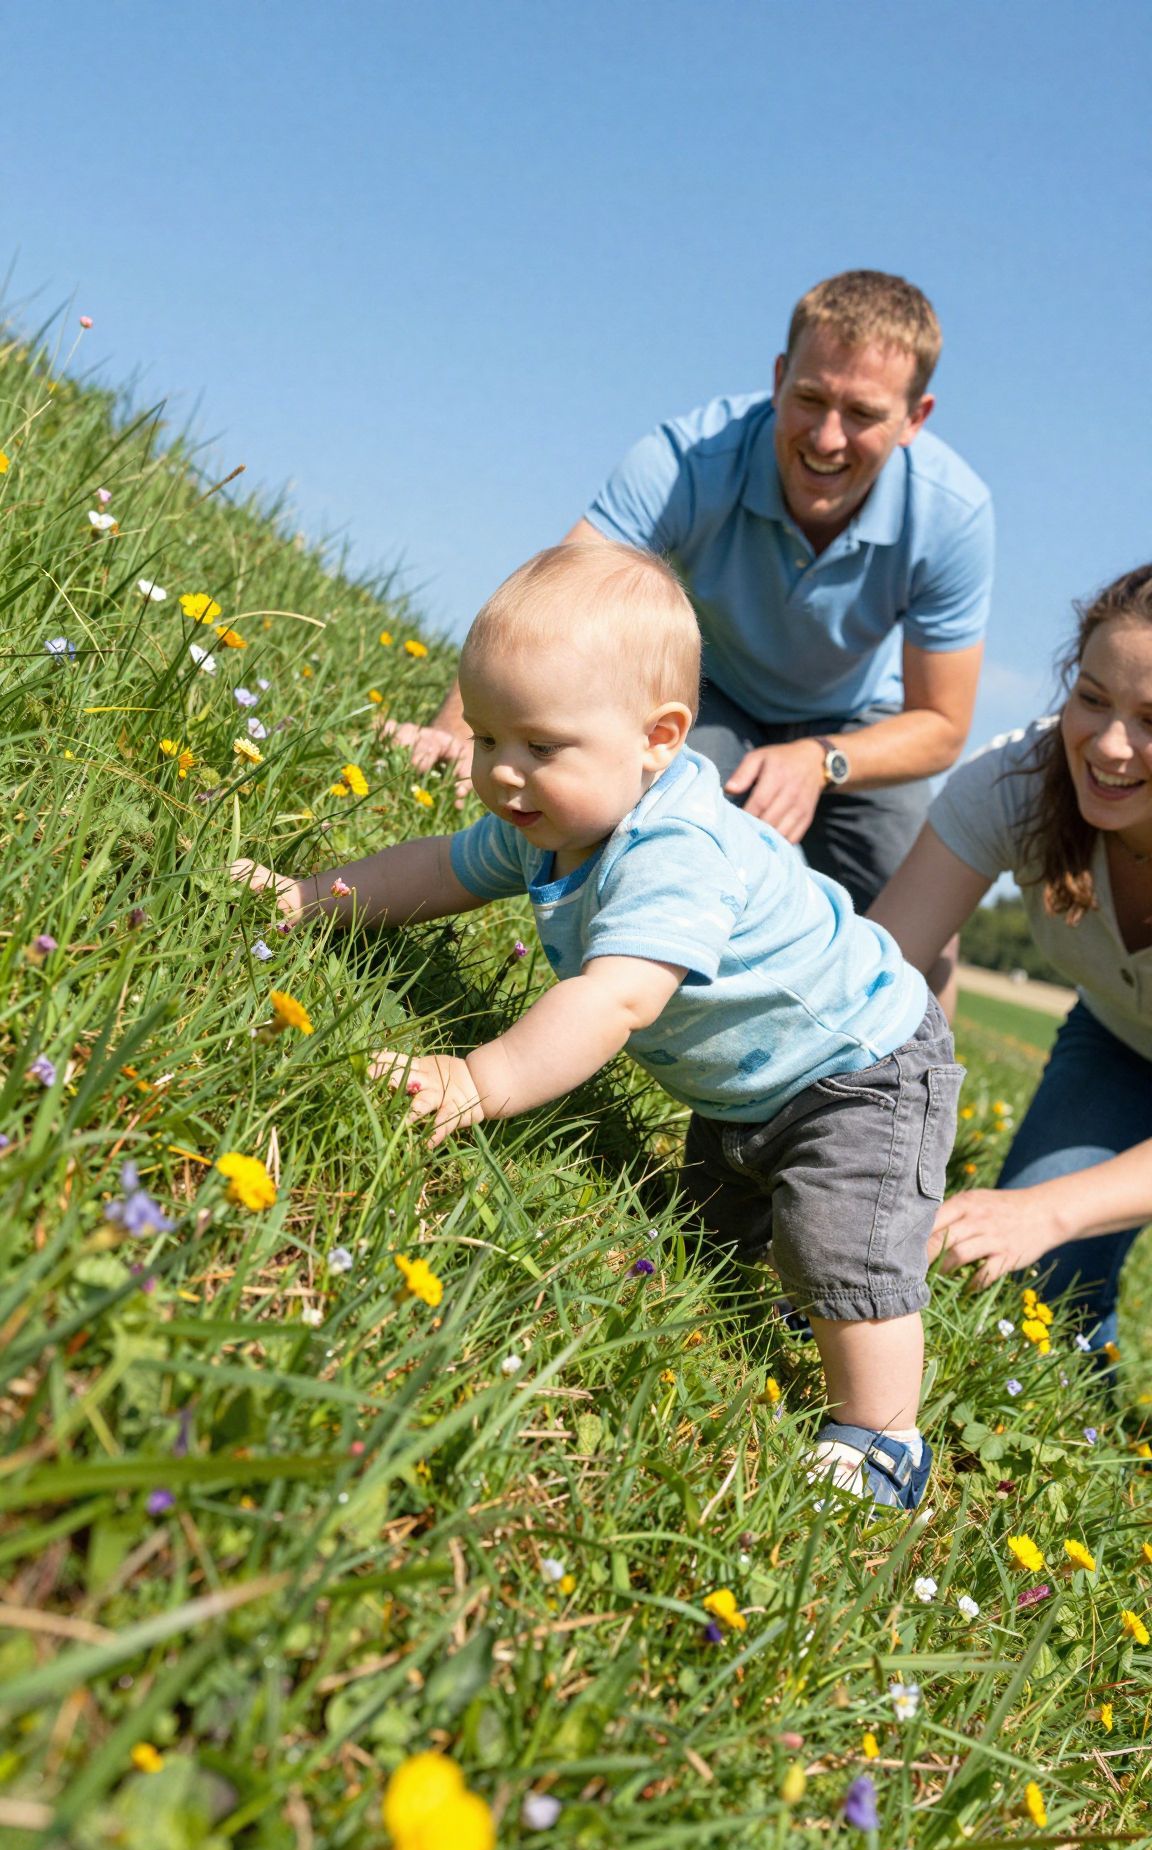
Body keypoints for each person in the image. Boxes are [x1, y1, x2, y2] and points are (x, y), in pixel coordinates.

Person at [237, 542, 962, 1510]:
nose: (502, 773)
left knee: (845, 1246)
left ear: (658, 737)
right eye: (488, 738)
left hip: (860, 1071)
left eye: (538, 745)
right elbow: (441, 870)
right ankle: (787, 1293)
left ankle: (881, 1434)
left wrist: (477, 1079)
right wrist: (305, 897)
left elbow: (616, 997)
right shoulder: (556, 814)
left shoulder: (673, 848)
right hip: (748, 1078)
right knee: (705, 1239)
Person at [387, 270, 993, 1004]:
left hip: (850, 730)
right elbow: (555, 602)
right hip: (711, 696)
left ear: (915, 418)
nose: (827, 438)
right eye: (809, 398)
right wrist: (456, 735)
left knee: (926, 898)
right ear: (778, 378)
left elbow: (939, 725)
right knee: (628, 804)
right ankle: (619, 1009)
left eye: (862, 413)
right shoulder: (688, 459)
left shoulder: (953, 517)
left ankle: (916, 1090)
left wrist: (815, 760)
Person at [870, 562, 1152, 1366]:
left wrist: (1051, 1209)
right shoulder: (1019, 782)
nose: (1108, 745)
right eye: (1092, 698)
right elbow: (878, 973)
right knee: (1042, 1288)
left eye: (1151, 718)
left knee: (1045, 1221)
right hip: (1123, 1044)